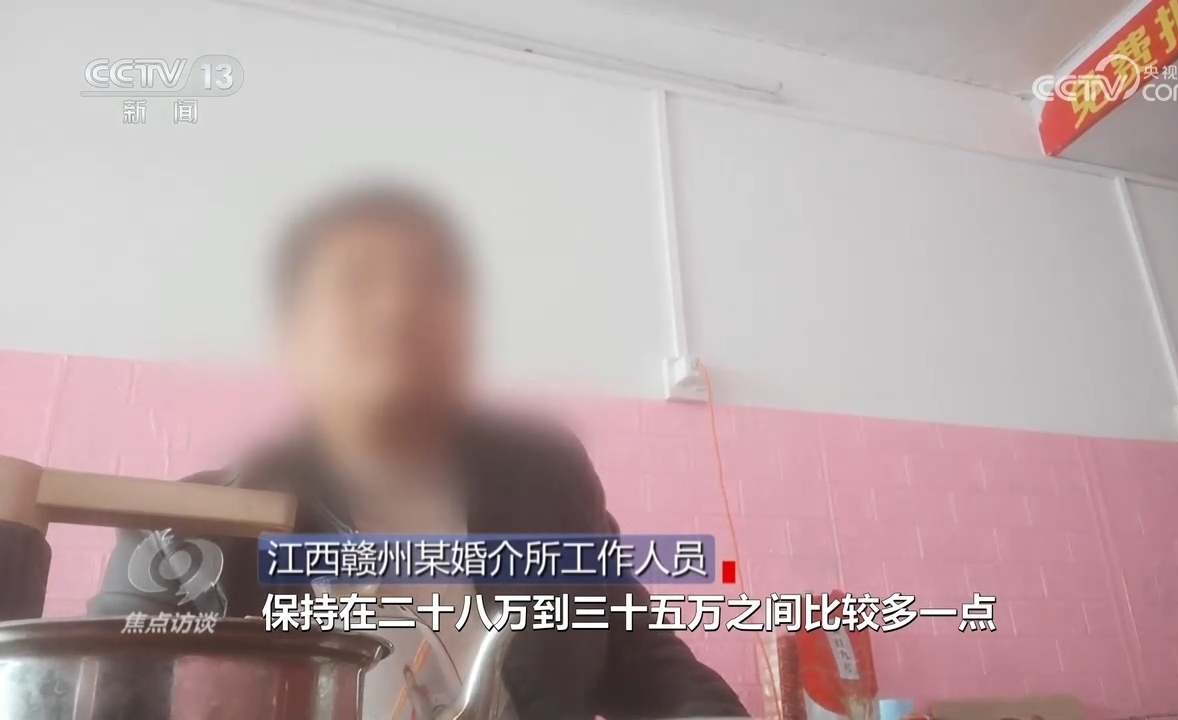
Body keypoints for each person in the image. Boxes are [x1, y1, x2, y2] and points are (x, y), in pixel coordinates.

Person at [87, 183, 748, 720]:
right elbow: (105, 700)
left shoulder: (551, 482)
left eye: (431, 284)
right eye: (356, 282)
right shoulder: (185, 533)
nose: (398, 308)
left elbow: (645, 665)